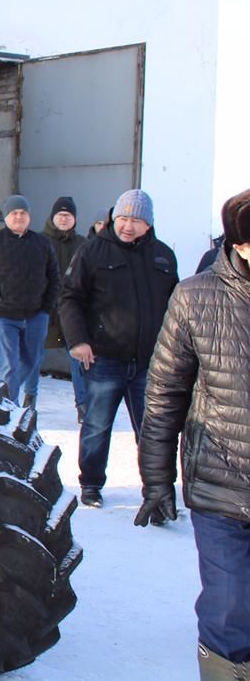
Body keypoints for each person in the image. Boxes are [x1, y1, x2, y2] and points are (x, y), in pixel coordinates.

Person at [136, 188, 250, 679]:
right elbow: (164, 397)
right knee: (228, 608)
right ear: (240, 244)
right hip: (221, 483)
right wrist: (157, 481)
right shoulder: (195, 296)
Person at [59, 188, 178, 508]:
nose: (128, 225)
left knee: (153, 430)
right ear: (114, 218)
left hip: (150, 363)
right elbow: (70, 298)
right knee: (97, 426)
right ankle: (91, 484)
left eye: (136, 220)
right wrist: (78, 340)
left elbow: (175, 309)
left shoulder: (163, 256)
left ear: (148, 224)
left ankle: (157, 489)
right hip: (104, 358)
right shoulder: (93, 251)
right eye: (123, 218)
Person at [0, 195, 60, 406]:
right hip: (4, 316)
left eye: (23, 213)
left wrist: (46, 308)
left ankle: (1, 398)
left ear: (29, 216)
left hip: (36, 315)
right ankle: (9, 409)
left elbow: (54, 278)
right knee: (10, 366)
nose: (19, 217)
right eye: (14, 213)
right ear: (6, 217)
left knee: (32, 360)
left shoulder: (42, 243)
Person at [36, 197, 88, 418]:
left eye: (69, 215)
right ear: (52, 217)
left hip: (73, 310)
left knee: (79, 359)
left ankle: (83, 406)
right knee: (32, 358)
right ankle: (24, 405)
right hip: (43, 308)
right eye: (61, 215)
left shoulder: (83, 244)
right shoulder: (39, 241)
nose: (64, 219)